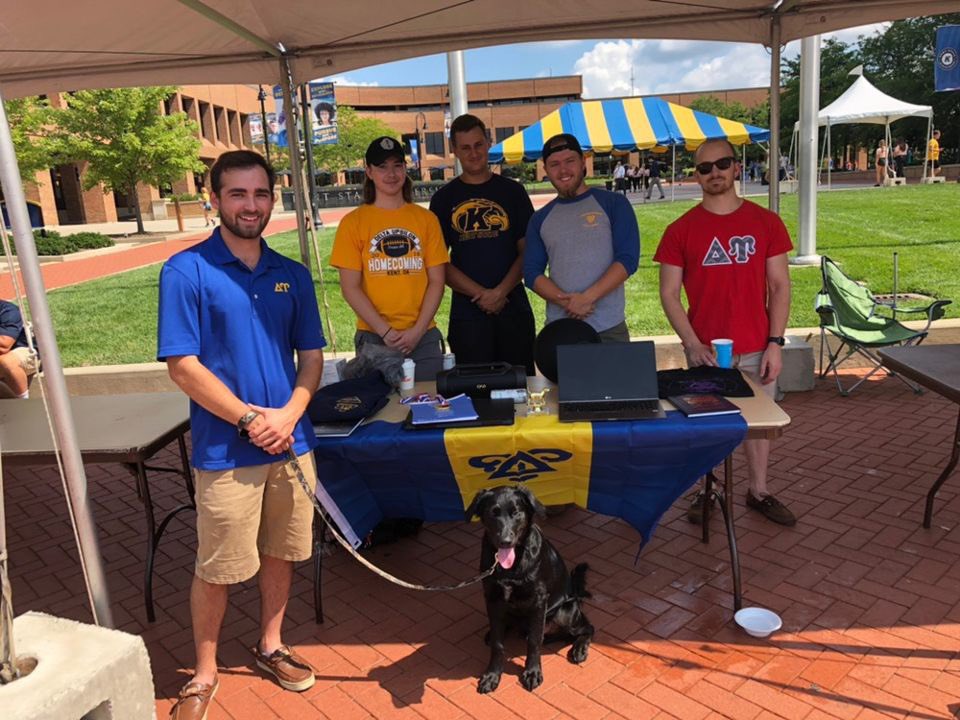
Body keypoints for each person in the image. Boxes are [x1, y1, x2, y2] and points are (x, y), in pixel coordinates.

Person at [158, 150, 326, 720]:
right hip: (226, 449)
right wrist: (252, 420)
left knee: (282, 552)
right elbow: (182, 365)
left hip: (292, 443)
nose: (250, 205)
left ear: (272, 199)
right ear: (214, 198)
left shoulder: (292, 274)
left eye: (259, 194)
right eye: (237, 194)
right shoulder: (186, 271)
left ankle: (270, 644)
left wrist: (291, 413)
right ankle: (203, 674)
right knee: (219, 566)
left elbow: (311, 358)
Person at [653, 138, 795, 528]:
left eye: (722, 164)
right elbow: (669, 294)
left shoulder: (765, 222)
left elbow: (781, 286)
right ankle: (707, 489)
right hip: (706, 352)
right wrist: (692, 343)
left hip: (756, 343)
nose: (714, 172)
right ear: (696, 175)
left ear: (736, 168)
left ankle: (759, 490)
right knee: (705, 425)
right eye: (704, 167)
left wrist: (775, 342)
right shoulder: (680, 230)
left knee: (759, 426)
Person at [331, 136, 449, 380]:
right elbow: (350, 287)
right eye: (382, 167)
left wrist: (417, 331)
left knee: (428, 406)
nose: (391, 173)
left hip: (423, 335)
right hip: (374, 335)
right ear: (369, 172)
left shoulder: (426, 220)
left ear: (406, 169)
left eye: (397, 165)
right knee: (378, 409)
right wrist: (385, 332)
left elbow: (437, 281)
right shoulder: (353, 223)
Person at [428, 114, 536, 374]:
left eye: (478, 144)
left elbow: (528, 251)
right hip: (468, 314)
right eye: (465, 147)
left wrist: (500, 292)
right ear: (454, 150)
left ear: (489, 142)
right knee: (475, 392)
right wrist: (481, 294)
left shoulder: (513, 192)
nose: (473, 153)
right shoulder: (443, 199)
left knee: (520, 390)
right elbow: (439, 261)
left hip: (513, 307)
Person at [523, 133, 640, 343]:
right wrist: (568, 303)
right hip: (561, 329)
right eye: (555, 164)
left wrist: (587, 298)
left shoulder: (614, 204)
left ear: (583, 162)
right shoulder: (539, 219)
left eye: (570, 161)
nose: (564, 170)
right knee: (561, 378)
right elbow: (531, 273)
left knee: (617, 377)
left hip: (609, 328)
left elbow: (627, 259)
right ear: (546, 169)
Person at [0, 299, 38, 399]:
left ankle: (23, 403)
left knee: (5, 361)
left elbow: (4, 345)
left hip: (27, 352)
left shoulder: (8, 311)